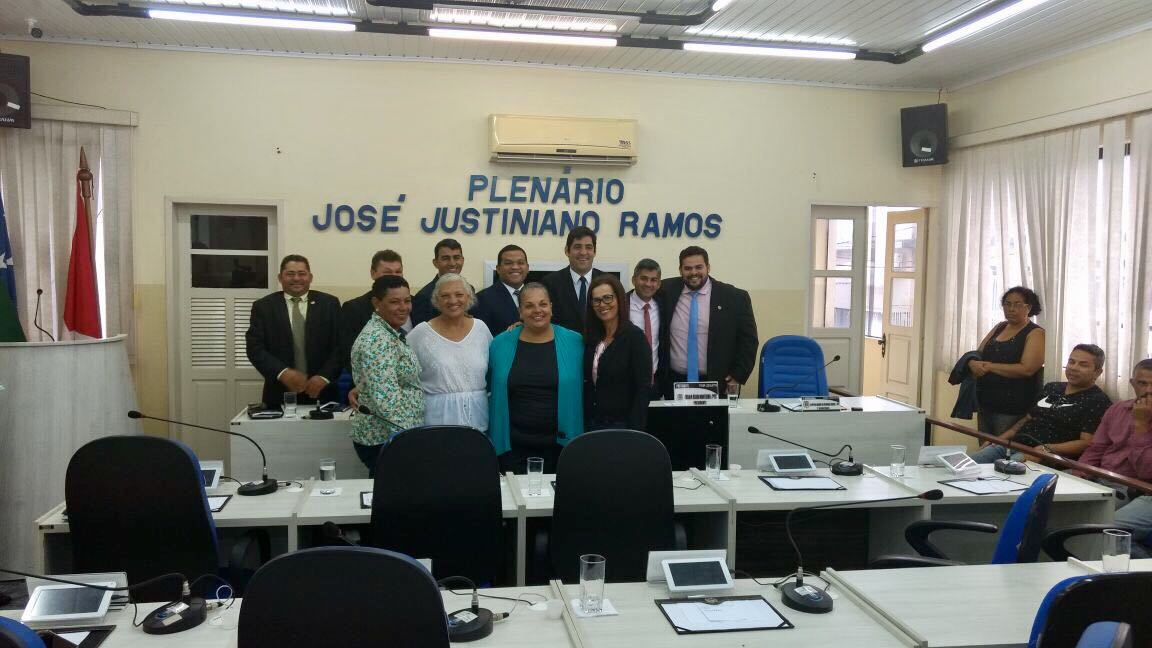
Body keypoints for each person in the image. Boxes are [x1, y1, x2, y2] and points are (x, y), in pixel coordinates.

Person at [487, 283, 584, 473]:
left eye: (543, 304)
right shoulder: (499, 344)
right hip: (512, 447)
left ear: (551, 308)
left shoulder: (575, 342)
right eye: (529, 305)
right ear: (520, 311)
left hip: (562, 447)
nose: (537, 310)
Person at [971, 344, 1112, 463]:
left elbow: (1086, 442)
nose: (1074, 368)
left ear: (1097, 372)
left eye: (1083, 365)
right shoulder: (1052, 387)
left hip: (1044, 454)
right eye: (1071, 362)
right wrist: (998, 440)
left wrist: (1048, 448)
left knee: (995, 474)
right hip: (1014, 443)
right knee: (965, 466)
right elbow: (1027, 419)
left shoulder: (1098, 401)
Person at [658, 246, 758, 400]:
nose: (693, 273)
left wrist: (738, 375)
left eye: (699, 267)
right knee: (676, 424)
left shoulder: (735, 298)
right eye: (687, 268)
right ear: (680, 270)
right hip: (675, 382)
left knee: (716, 424)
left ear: (708, 267)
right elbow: (640, 294)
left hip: (718, 382)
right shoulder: (665, 290)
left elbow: (748, 341)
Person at [349, 275, 425, 476]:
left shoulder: (389, 332)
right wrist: (411, 439)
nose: (403, 307)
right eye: (394, 302)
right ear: (376, 303)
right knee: (393, 501)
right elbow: (386, 401)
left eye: (407, 301)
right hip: (387, 437)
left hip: (393, 435)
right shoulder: (377, 340)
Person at [1077, 359, 1152, 557]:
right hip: (1103, 477)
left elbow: (1146, 472)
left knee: (1103, 532)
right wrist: (1078, 476)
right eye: (1143, 383)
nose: (1148, 391)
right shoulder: (1118, 409)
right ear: (1132, 383)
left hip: (1139, 489)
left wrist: (1142, 426)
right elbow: (1096, 449)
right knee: (1056, 511)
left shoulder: (1142, 418)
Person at [245, 254, 341, 407]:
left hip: (323, 392)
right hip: (279, 392)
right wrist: (283, 373)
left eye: (302, 273)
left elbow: (341, 346)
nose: (296, 278)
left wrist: (324, 377)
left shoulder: (329, 304)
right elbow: (255, 348)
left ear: (310, 277)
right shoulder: (263, 307)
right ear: (280, 278)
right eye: (290, 274)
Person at [407, 273, 492, 432]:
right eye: (445, 296)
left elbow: (497, 367)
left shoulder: (481, 329)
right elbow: (399, 367)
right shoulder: (421, 333)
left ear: (468, 297)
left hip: (479, 420)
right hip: (437, 420)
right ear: (436, 300)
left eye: (459, 294)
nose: (453, 301)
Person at [969, 286, 1046, 436]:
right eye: (1007, 304)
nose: (1011, 309)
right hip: (985, 401)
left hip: (1013, 407)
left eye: (1018, 305)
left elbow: (1027, 369)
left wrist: (990, 367)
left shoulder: (1036, 333)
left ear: (1029, 307)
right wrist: (972, 362)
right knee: (984, 449)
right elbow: (979, 353)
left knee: (1001, 452)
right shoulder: (1000, 327)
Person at [584, 275, 651, 431]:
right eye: (597, 300)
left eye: (608, 298)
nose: (602, 305)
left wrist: (634, 431)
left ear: (619, 299)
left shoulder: (635, 338)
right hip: (592, 424)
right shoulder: (592, 339)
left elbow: (643, 389)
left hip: (623, 427)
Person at [339, 249, 407, 389]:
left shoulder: (412, 304)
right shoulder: (354, 308)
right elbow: (349, 354)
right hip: (371, 389)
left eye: (398, 272)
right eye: (387, 272)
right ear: (373, 273)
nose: (394, 277)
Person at [541, 226, 602, 333]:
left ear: (594, 252)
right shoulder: (550, 283)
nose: (583, 252)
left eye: (588, 247)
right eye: (577, 247)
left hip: (600, 347)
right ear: (567, 251)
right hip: (563, 347)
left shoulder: (607, 281)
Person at [475, 244, 528, 336]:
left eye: (520, 263)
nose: (515, 267)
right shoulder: (482, 299)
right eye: (508, 263)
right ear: (498, 269)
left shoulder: (538, 295)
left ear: (527, 268)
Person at [411, 238, 467, 326]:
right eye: (446, 258)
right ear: (435, 263)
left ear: (462, 260)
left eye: (456, 258)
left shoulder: (468, 289)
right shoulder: (424, 296)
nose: (452, 263)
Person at [628, 258, 662, 398]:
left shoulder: (663, 306)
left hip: (655, 383)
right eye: (644, 278)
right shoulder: (620, 306)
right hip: (627, 383)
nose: (648, 284)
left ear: (659, 284)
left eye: (653, 280)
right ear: (634, 279)